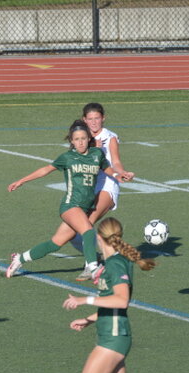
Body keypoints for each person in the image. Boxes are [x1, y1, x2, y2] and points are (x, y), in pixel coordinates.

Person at [62, 218, 189, 373]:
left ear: (99, 238)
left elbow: (121, 300)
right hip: (114, 335)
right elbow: (112, 302)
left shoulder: (115, 264)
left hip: (113, 339)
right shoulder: (117, 262)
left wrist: (85, 300)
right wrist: (89, 319)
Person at [6, 120, 130, 281]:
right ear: (71, 141)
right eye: (77, 139)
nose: (80, 142)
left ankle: (19, 259)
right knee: (88, 231)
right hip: (70, 205)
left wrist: (117, 175)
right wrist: (21, 181)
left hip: (85, 207)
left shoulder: (96, 154)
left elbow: (107, 169)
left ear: (89, 139)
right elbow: (46, 169)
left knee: (55, 243)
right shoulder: (68, 157)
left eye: (83, 138)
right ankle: (93, 268)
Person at [73, 103, 134, 281]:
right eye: (90, 119)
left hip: (108, 184)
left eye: (97, 118)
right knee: (72, 233)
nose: (94, 122)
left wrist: (121, 173)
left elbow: (116, 161)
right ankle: (103, 256)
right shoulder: (81, 137)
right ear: (84, 120)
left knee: (87, 223)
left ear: (103, 118)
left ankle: (90, 266)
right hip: (88, 187)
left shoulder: (110, 137)